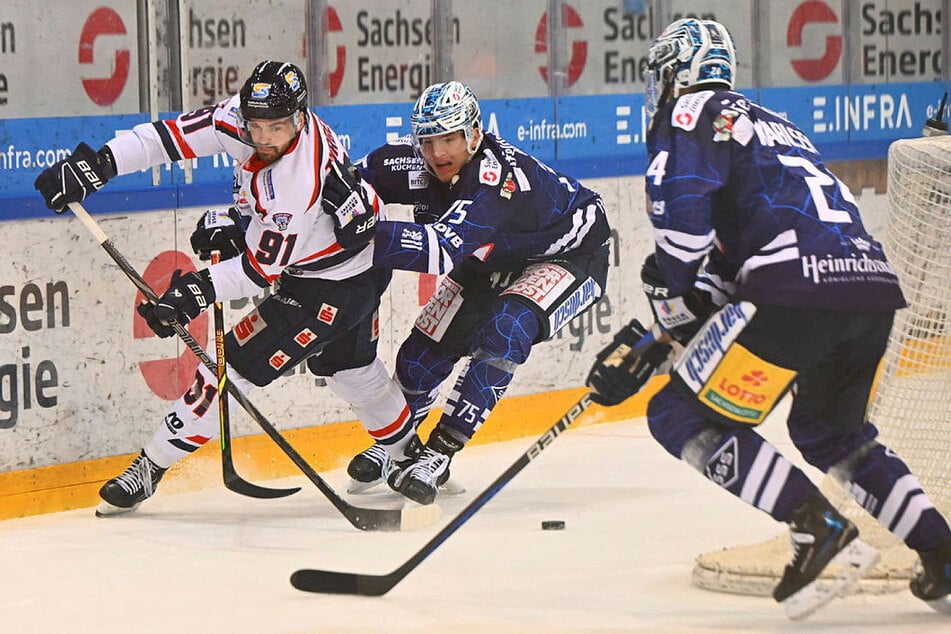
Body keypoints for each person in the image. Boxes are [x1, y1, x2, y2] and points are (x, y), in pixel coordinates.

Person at [585, 18, 951, 613]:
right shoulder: (778, 126)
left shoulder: (691, 114)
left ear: (675, 73)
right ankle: (941, 551)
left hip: (793, 292)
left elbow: (684, 237)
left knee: (677, 411)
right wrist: (662, 333)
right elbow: (736, 261)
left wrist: (670, 302)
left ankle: (816, 526)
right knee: (829, 432)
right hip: (870, 289)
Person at [33, 61, 421, 516]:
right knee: (351, 367)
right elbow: (168, 138)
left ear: (300, 117)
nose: (266, 138)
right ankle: (409, 459)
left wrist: (192, 292)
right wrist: (101, 163)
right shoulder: (236, 118)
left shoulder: (298, 180)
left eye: (278, 126)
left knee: (228, 368)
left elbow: (258, 271)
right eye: (258, 126)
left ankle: (149, 466)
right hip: (357, 261)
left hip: (330, 285)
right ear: (245, 115)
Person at [326, 81, 612, 505]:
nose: (438, 153)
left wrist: (364, 234)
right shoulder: (411, 161)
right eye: (428, 140)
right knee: (423, 352)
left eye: (450, 138)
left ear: (473, 134)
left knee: (506, 327)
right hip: (497, 254)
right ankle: (401, 441)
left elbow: (441, 248)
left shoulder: (495, 183)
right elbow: (340, 185)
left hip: (573, 255)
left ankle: (439, 453)